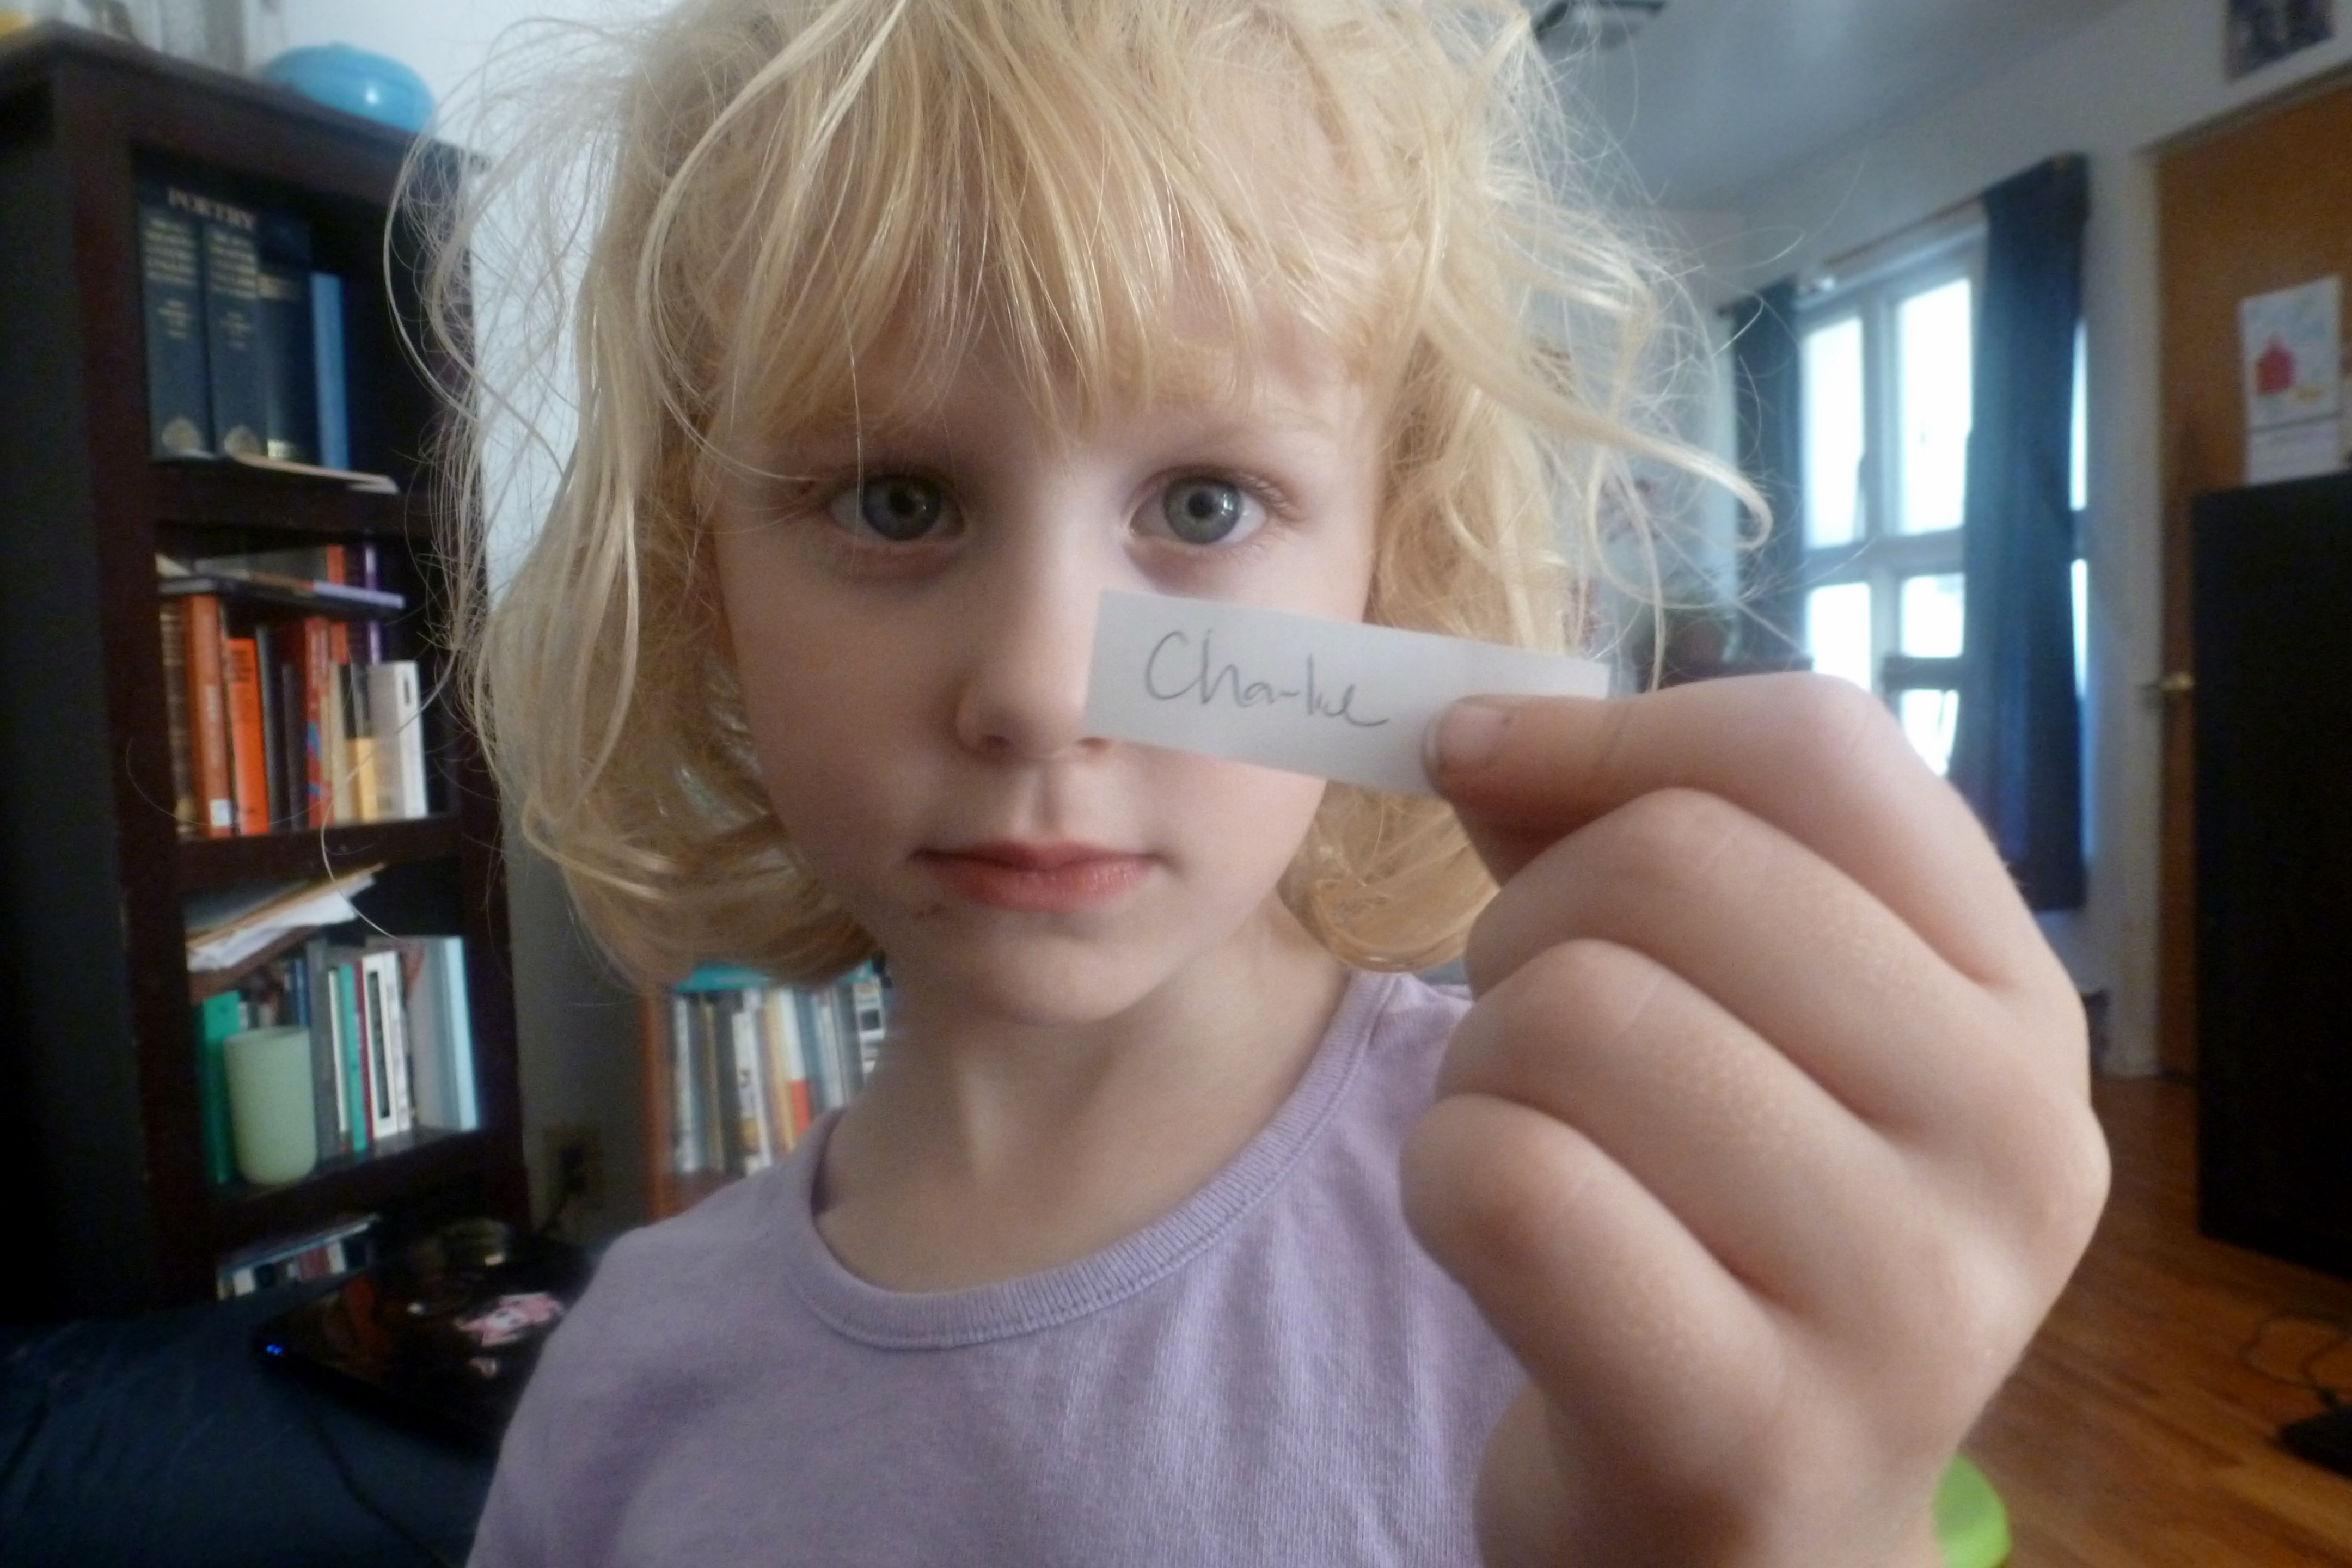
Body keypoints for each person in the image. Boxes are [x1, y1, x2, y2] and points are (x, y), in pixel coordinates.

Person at [431, 1, 2109, 1562]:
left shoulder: (1599, 1231)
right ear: (704, 580)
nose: (1040, 693)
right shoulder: (627, 1376)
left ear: (1392, 565)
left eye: (1205, 504)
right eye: (896, 501)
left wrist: (1821, 1522)